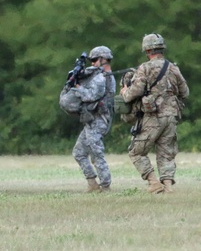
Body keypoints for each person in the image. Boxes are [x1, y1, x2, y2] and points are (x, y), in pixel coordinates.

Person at [120, 33, 189, 194]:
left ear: (147, 50)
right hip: (171, 116)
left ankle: (153, 182)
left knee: (136, 151)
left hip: (152, 117)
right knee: (166, 153)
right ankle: (168, 187)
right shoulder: (173, 67)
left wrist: (124, 91)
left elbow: (134, 92)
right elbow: (185, 92)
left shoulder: (144, 68)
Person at [71, 46, 116, 192]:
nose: (93, 63)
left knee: (96, 153)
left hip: (98, 119)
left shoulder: (102, 77)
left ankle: (105, 186)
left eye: (95, 60)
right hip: (92, 120)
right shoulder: (101, 75)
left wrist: (78, 88)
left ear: (103, 59)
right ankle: (92, 183)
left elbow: (91, 96)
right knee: (79, 152)